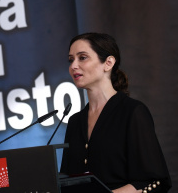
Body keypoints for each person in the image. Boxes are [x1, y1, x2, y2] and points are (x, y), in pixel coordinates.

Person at [60, 32, 171, 193]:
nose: (73, 66)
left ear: (108, 63)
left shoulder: (132, 112)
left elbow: (154, 180)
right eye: (71, 60)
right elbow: (66, 182)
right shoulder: (75, 122)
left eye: (82, 57)